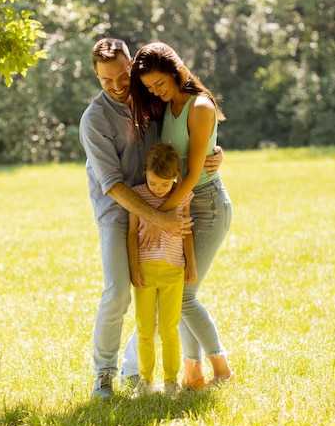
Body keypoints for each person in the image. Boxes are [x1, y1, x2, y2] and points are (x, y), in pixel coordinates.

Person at [79, 38, 223, 399]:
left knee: (162, 289)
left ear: (132, 67)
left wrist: (216, 153)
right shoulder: (94, 120)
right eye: (105, 80)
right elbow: (112, 185)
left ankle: (135, 369)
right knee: (118, 292)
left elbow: (189, 127)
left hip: (165, 204)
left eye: (121, 77)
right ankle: (104, 376)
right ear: (95, 76)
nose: (115, 86)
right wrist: (159, 218)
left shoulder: (150, 101)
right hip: (120, 213)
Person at [129, 41, 234, 388]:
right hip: (181, 202)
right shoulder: (168, 106)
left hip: (206, 203)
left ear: (176, 71)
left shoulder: (199, 105)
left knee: (185, 294)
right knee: (181, 292)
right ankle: (194, 371)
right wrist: (161, 214)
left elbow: (192, 175)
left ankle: (222, 370)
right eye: (149, 88)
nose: (155, 92)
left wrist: (160, 214)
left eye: (160, 83)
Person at [128, 143, 197, 399]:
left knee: (169, 329)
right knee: (145, 329)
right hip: (145, 271)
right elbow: (132, 232)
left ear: (176, 177)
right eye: (154, 183)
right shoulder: (136, 195)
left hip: (173, 271)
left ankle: (170, 382)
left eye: (165, 185)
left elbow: (187, 233)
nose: (158, 190)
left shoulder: (182, 196)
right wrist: (134, 268)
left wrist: (191, 263)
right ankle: (145, 381)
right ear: (145, 172)